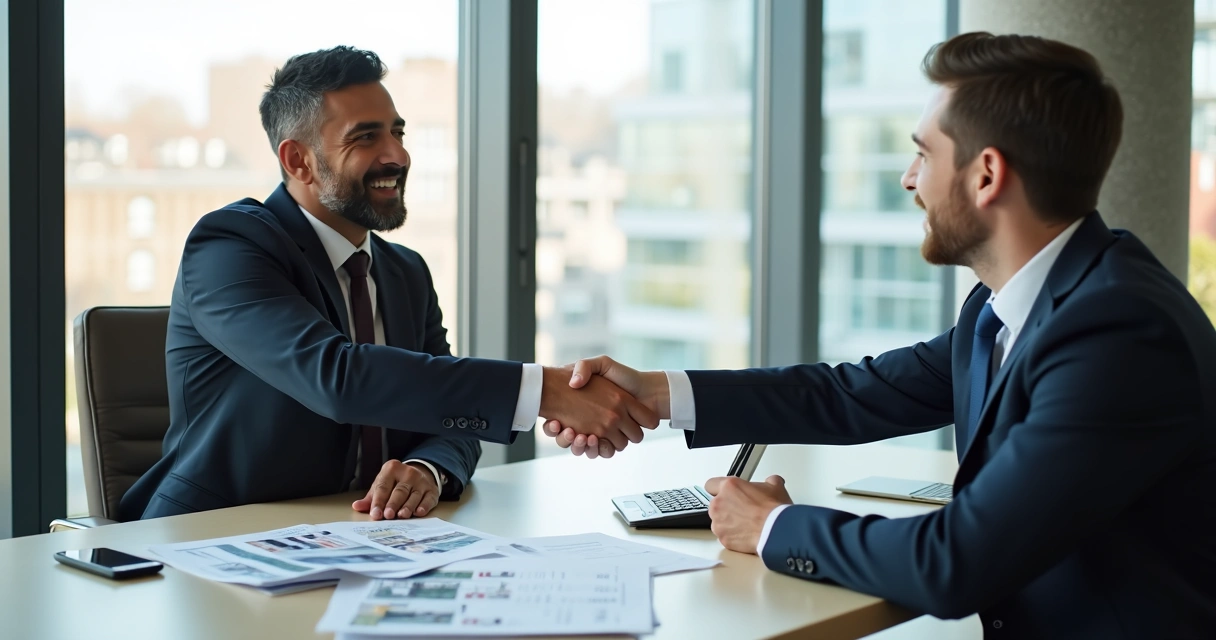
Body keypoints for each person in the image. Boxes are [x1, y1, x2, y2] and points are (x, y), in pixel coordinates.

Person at [545, 32, 1216, 637]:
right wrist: (657, 393)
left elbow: (958, 562)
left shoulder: (1119, 332)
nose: (908, 179)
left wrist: (773, 526)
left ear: (987, 175)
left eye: (923, 154)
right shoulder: (1008, 305)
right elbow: (851, 394)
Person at [120, 46, 657, 523]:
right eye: (365, 137)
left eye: (397, 132)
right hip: (214, 539)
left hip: (366, 543)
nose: (396, 156)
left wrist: (427, 469)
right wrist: (542, 391)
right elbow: (336, 376)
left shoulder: (405, 272)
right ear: (297, 159)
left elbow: (454, 416)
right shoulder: (231, 246)